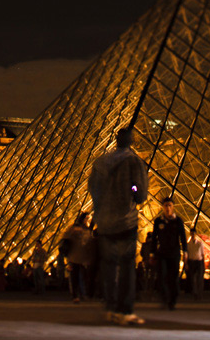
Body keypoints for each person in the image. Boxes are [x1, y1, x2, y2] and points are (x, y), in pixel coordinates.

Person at [88, 127, 149, 326]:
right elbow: (140, 193)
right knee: (126, 267)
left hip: (104, 222)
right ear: (131, 141)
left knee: (109, 266)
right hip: (125, 221)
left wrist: (102, 208)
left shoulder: (100, 162)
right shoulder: (134, 162)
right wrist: (131, 191)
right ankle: (125, 310)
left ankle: (110, 307)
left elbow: (93, 190)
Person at [152, 196, 187, 310]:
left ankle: (172, 299)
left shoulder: (178, 221)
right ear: (163, 207)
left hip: (174, 253)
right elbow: (154, 238)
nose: (167, 208)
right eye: (166, 205)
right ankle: (166, 298)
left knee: (173, 277)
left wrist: (185, 252)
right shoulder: (158, 221)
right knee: (162, 276)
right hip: (162, 253)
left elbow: (183, 237)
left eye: (169, 205)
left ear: (173, 207)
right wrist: (152, 253)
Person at [61, 212, 95, 303]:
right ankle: (76, 295)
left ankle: (81, 294)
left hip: (82, 257)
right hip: (75, 257)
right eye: (86, 218)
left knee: (82, 277)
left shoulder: (86, 230)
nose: (88, 220)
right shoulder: (76, 229)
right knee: (75, 277)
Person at [186, 229, 205, 300]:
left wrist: (203, 264)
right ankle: (195, 293)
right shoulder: (188, 244)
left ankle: (199, 293)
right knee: (193, 278)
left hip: (199, 261)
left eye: (193, 233)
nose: (193, 235)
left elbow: (202, 254)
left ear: (196, 234)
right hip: (192, 261)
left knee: (199, 278)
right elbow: (187, 254)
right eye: (191, 234)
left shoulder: (200, 243)